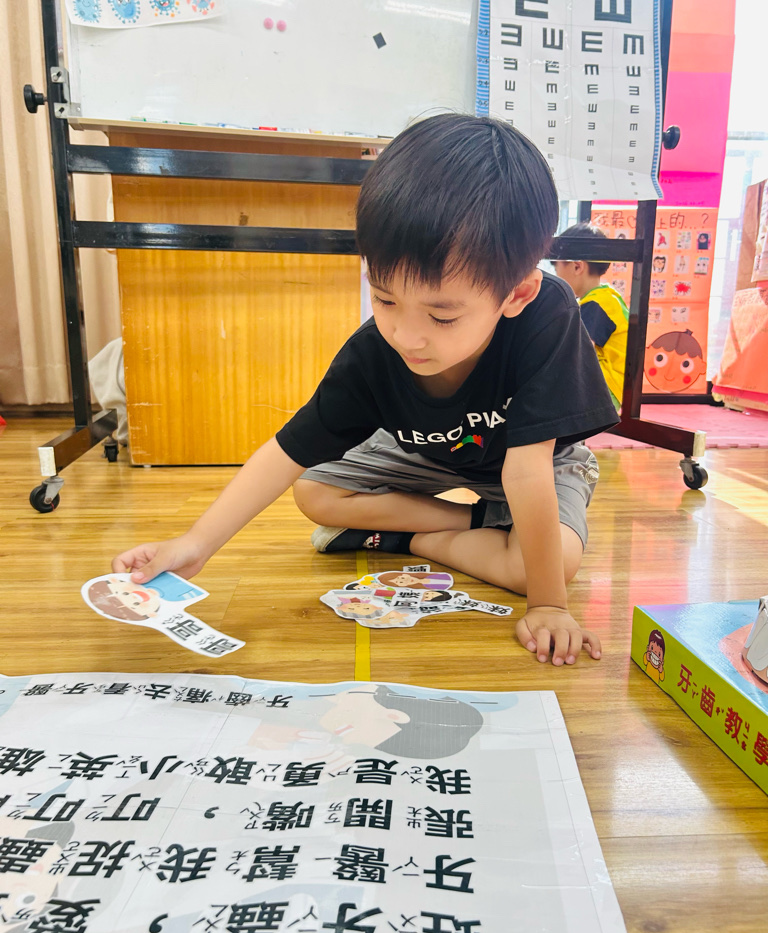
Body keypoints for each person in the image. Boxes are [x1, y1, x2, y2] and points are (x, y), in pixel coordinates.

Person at [112, 114, 618, 666]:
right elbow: (285, 452)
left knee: (551, 566)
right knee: (315, 491)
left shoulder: (548, 316)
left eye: (442, 316)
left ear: (516, 294)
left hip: (536, 461)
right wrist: (195, 544)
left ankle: (414, 537)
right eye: (384, 299)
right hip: (430, 451)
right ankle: (475, 523)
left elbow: (526, 471)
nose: (405, 336)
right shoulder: (374, 351)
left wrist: (548, 606)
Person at [551, 222, 629, 411]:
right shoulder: (606, 297)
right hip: (612, 387)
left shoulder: (596, 304)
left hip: (604, 389)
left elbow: (577, 351)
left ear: (577, 267)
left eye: (557, 269)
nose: (556, 277)